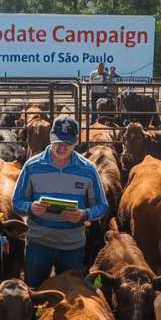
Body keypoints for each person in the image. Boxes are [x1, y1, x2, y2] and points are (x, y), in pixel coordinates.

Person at [12, 116, 108, 289]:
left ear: (76, 142)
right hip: (38, 244)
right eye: (58, 142)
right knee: (33, 291)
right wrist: (30, 208)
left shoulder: (88, 169)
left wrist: (84, 214)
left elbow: (102, 206)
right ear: (50, 137)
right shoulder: (31, 166)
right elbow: (16, 202)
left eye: (68, 143)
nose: (62, 147)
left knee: (69, 295)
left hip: (72, 246)